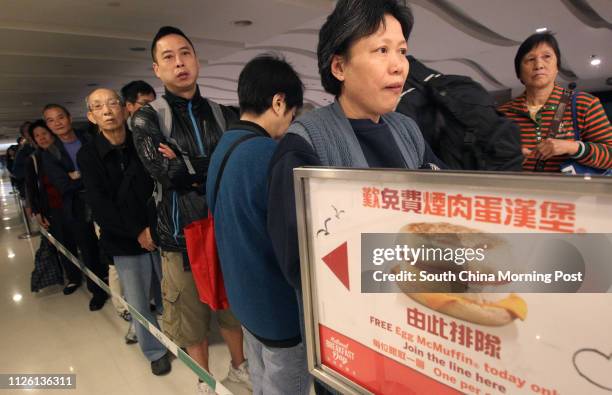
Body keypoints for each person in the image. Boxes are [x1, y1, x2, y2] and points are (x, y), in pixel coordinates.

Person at [267, 1, 431, 393]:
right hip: (351, 344)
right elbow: (300, 265)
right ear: (338, 67)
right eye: (381, 50)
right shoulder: (304, 146)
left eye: (402, 51)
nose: (398, 65)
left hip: (416, 337)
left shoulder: (406, 129)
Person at [130, 26, 250, 394]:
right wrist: (200, 166)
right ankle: (205, 382)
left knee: (231, 310)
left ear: (197, 59)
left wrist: (186, 163)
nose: (179, 62)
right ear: (157, 68)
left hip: (223, 228)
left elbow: (236, 162)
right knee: (192, 320)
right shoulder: (147, 118)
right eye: (168, 57)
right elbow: (163, 172)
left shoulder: (222, 112)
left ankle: (240, 369)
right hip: (180, 237)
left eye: (185, 53)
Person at [207, 54, 308, 395]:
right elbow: (295, 241)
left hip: (245, 300)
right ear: (279, 102)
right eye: (292, 113)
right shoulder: (269, 155)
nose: (289, 123)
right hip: (279, 311)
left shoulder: (223, 145)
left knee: (262, 381)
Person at [77, 88, 171, 376]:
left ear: (124, 109)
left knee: (167, 293)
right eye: (98, 107)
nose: (107, 110)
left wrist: (153, 229)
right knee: (140, 300)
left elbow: (159, 186)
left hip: (158, 232)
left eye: (112, 104)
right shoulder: (88, 155)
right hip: (124, 239)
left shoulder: (142, 142)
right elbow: (100, 204)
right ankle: (154, 350)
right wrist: (137, 232)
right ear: (91, 117)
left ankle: (173, 337)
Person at [498, 32, 612, 172]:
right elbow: (486, 157)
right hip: (518, 192)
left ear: (557, 66)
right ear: (519, 73)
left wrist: (573, 147)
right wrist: (508, 157)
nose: (539, 65)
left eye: (547, 57)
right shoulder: (503, 113)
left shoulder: (584, 103)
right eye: (530, 59)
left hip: (569, 192)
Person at [41, 103, 108, 311]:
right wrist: (88, 177)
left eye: (60, 117)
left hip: (104, 199)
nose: (57, 123)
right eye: (50, 120)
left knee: (112, 244)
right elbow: (64, 186)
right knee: (88, 250)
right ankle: (97, 291)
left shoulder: (90, 137)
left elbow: (106, 169)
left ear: (69, 118)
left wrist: (78, 176)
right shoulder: (49, 153)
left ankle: (123, 288)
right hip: (77, 206)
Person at [24, 120, 83, 294]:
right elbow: (31, 188)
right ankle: (73, 278)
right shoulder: (34, 160)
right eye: (37, 135)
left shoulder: (63, 153)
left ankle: (96, 274)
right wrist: (37, 212)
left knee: (85, 240)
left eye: (44, 133)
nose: (41, 138)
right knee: (64, 245)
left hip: (74, 203)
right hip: (53, 209)